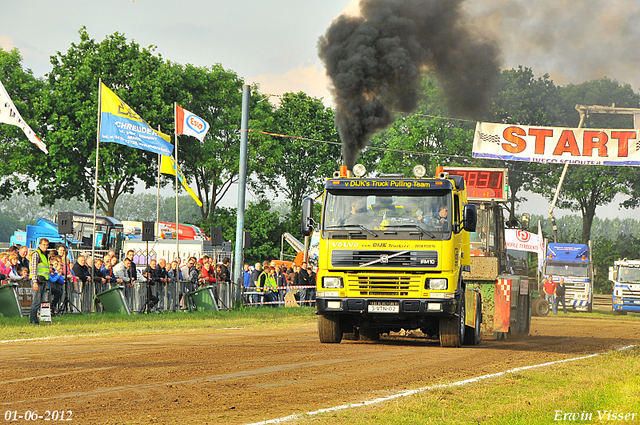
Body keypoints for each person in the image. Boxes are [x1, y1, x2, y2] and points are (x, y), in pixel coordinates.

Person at [29, 238, 50, 325]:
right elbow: (33, 269)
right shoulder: (36, 254)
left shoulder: (45, 255)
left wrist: (46, 283)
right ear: (40, 245)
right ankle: (33, 321)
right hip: (37, 280)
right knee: (36, 301)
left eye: (47, 245)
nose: (45, 246)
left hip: (42, 281)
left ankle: (35, 320)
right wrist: (35, 282)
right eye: (44, 244)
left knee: (39, 301)